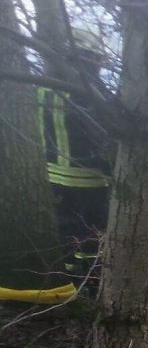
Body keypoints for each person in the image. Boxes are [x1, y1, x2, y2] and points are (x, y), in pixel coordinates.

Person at [37, 25, 112, 284]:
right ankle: (93, 283)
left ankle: (71, 280)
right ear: (86, 56)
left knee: (68, 233)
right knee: (93, 236)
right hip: (87, 176)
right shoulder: (87, 88)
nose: (100, 65)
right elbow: (104, 132)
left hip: (52, 176)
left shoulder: (44, 84)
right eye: (97, 58)